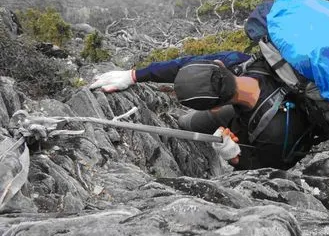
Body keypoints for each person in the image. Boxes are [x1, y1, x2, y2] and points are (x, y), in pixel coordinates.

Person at [89, 51, 316, 170]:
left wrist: (235, 157)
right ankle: (186, 124)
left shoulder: (275, 131)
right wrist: (133, 76)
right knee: (188, 124)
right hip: (246, 108)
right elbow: (184, 65)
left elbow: (270, 169)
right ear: (218, 65)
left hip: (269, 130)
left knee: (235, 155)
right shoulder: (240, 62)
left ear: (216, 106)